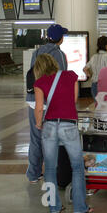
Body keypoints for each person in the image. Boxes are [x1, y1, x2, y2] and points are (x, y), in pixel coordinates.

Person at [33, 53, 92, 213]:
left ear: (38, 68)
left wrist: (39, 124)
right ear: (54, 63)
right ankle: (80, 207)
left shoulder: (39, 82)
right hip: (69, 124)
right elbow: (73, 100)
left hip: (50, 126)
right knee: (78, 166)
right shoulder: (70, 75)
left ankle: (54, 206)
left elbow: (39, 108)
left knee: (50, 168)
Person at [26, 23, 68, 184]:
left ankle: (33, 174)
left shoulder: (37, 52)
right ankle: (53, 174)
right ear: (60, 38)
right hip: (50, 103)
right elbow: (62, 79)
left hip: (33, 100)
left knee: (35, 138)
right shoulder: (59, 54)